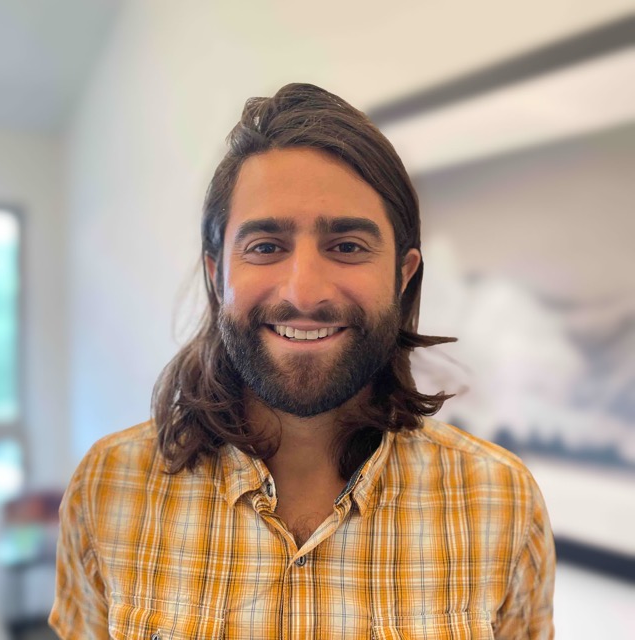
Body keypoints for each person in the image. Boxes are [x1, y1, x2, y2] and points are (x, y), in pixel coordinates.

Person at [49, 83, 555, 639]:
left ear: (403, 275)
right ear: (217, 276)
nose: (305, 292)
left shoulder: (503, 501)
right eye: (266, 246)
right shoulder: (107, 488)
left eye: (348, 246)